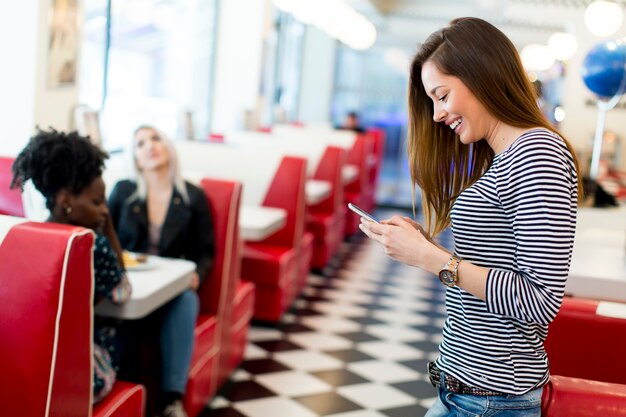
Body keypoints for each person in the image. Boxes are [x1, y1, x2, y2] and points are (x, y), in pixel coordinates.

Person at [359, 17, 581, 416]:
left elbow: (539, 300)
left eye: (442, 96)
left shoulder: (537, 154)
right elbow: (495, 265)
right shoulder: (507, 156)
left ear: (480, 76)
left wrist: (431, 259)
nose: (436, 115)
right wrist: (424, 245)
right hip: (467, 392)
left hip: (489, 401)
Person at [10, 129, 132, 403]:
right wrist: (109, 229)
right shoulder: (91, 245)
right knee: (127, 331)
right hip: (74, 369)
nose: (104, 210)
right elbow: (122, 293)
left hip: (26, 361)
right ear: (65, 200)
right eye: (97, 202)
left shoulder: (28, 233)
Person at [108, 125, 215, 417]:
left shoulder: (193, 196)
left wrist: (197, 275)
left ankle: (172, 400)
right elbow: (106, 238)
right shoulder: (123, 191)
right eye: (140, 143)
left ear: (168, 146)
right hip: (131, 286)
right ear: (136, 158)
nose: (150, 146)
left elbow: (206, 251)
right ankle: (113, 389)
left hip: (171, 290)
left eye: (156, 138)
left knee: (187, 300)